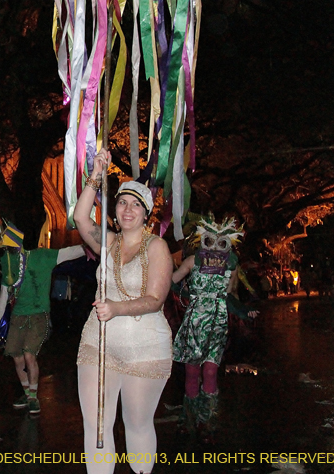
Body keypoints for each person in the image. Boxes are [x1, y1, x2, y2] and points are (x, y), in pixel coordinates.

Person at [72, 148, 173, 474]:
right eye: (122, 203)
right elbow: (80, 217)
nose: (128, 209)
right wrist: (96, 174)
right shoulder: (108, 242)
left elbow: (155, 299)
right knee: (96, 425)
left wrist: (116, 308)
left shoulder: (157, 247)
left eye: (136, 205)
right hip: (97, 345)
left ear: (146, 213)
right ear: (114, 210)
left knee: (137, 424)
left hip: (144, 348)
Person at [172, 216, 259, 441]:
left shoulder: (231, 266)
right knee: (192, 372)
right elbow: (172, 280)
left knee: (210, 371)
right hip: (194, 322)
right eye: (210, 241)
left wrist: (243, 311)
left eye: (221, 243)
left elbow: (228, 297)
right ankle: (188, 421)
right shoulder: (192, 261)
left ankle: (207, 424)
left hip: (217, 324)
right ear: (202, 240)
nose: (214, 248)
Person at [0, 221, 85, 416]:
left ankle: (34, 397)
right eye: (2, 251)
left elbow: (68, 252)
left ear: (16, 245)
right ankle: (27, 393)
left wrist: (93, 244)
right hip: (18, 316)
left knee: (29, 355)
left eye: (7, 249)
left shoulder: (41, 256)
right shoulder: (8, 268)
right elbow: (4, 297)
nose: (4, 253)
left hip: (38, 314)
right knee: (17, 358)